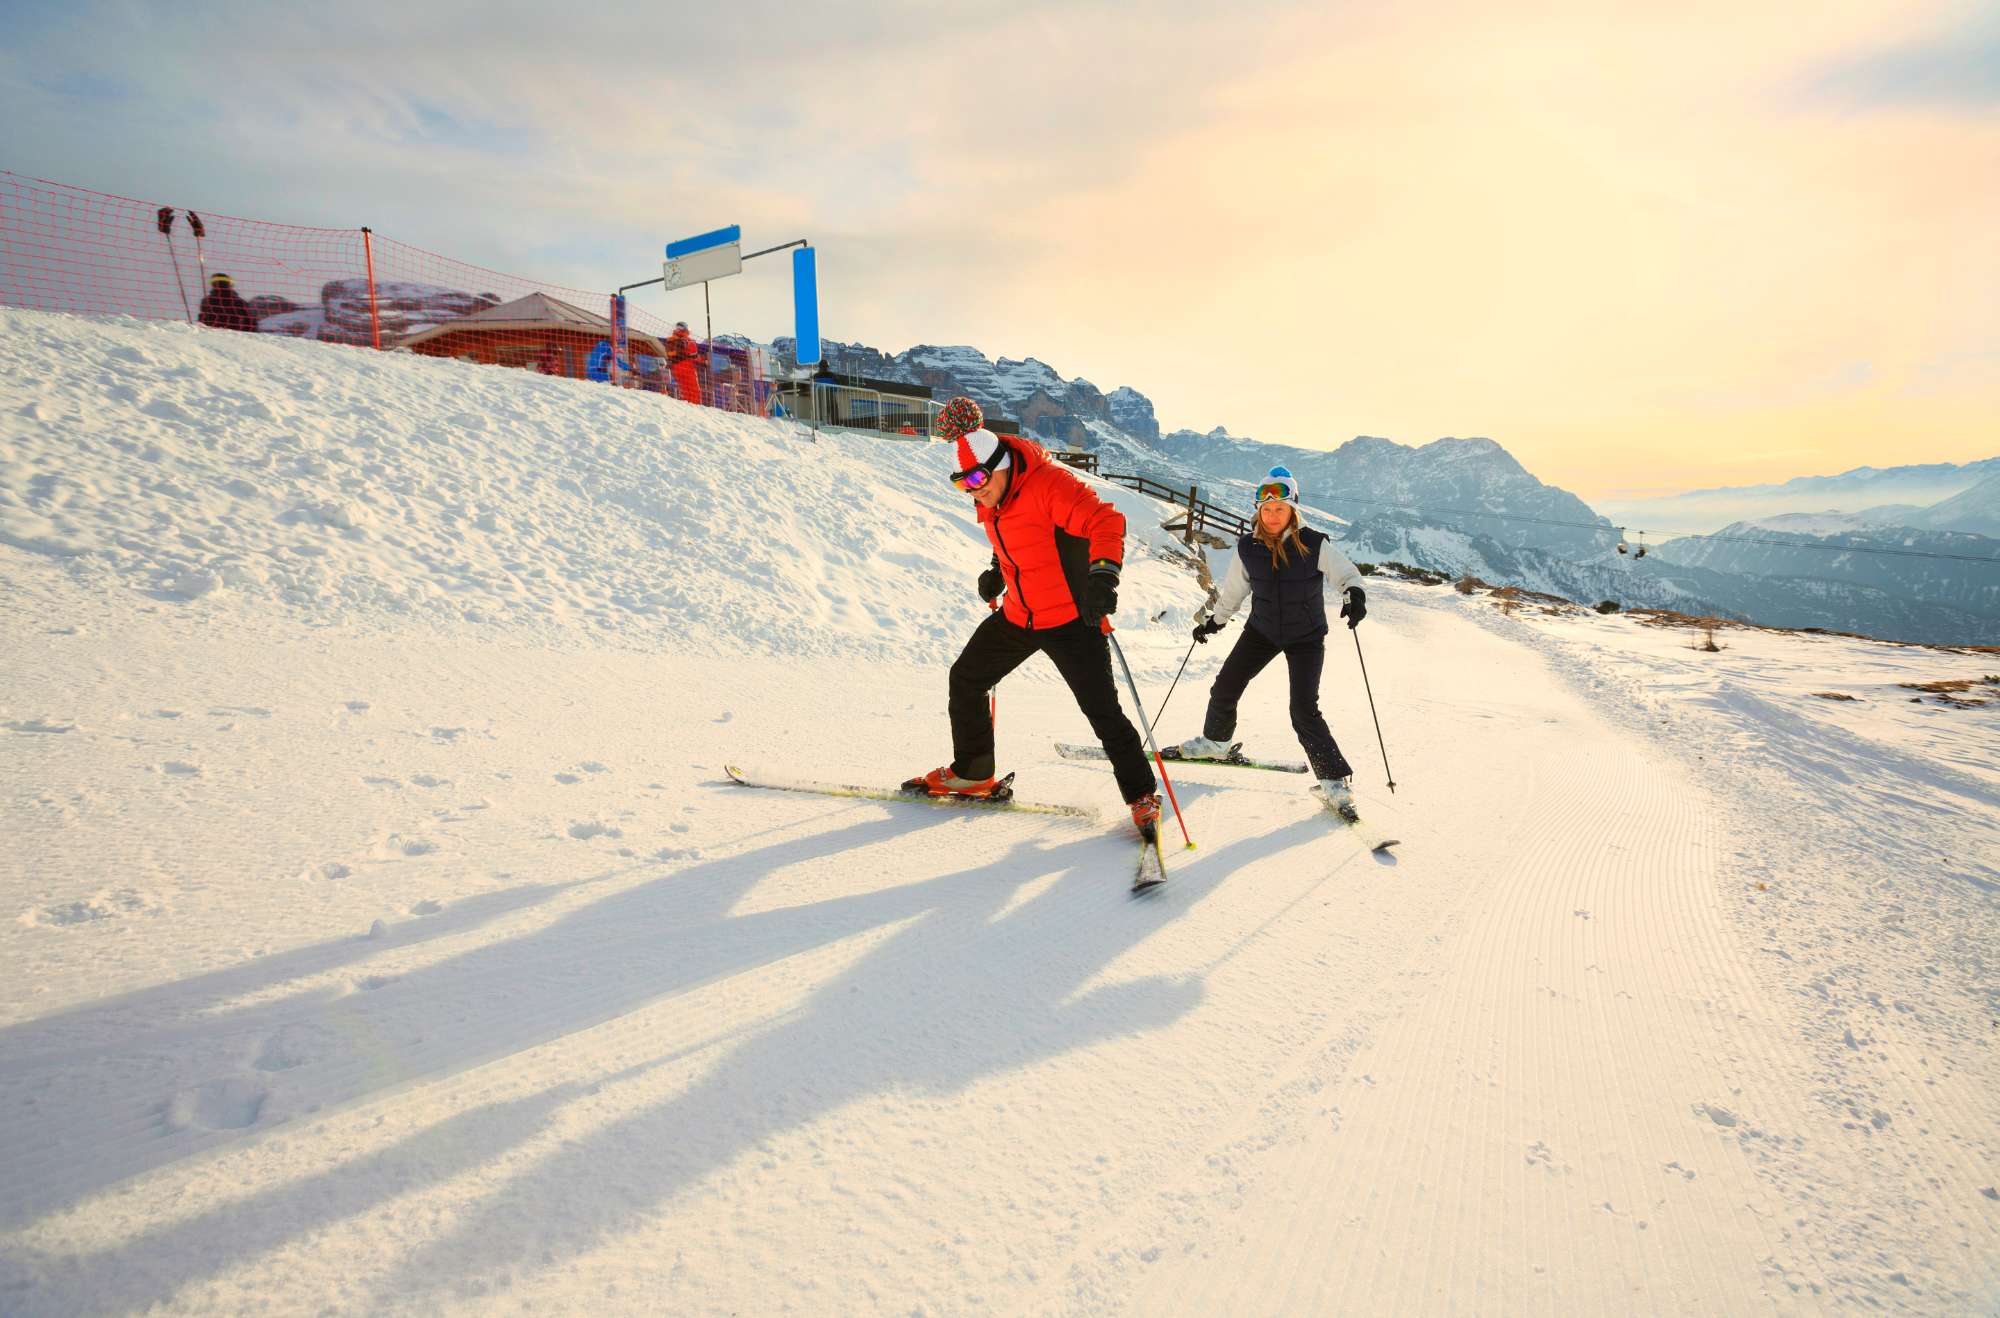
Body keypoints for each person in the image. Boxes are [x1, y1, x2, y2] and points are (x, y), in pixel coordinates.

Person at [904, 396, 1162, 838]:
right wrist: (995, 572)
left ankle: (1141, 795)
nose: (975, 491)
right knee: (966, 678)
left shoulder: (1050, 486)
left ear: (1002, 462)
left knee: (1102, 711)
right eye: (963, 485)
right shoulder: (990, 493)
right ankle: (973, 772)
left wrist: (1104, 578)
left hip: (1069, 619)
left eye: (980, 479)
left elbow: (1106, 522)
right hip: (1020, 615)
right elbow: (1011, 536)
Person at [1181, 465, 1370, 811]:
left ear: (1293, 510)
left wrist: (1354, 595)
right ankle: (1216, 742)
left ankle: (1334, 781)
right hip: (1262, 631)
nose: (1271, 515)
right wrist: (1215, 622)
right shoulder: (1247, 547)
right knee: (1225, 687)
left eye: (1278, 509)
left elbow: (1346, 575)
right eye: (1265, 509)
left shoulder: (1315, 545)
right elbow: (1234, 592)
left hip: (1306, 637)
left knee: (1303, 710)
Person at [665, 322, 703, 404]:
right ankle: (696, 407)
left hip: (676, 368)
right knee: (694, 390)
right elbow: (694, 356)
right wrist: (703, 361)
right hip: (687, 366)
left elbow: (669, 355)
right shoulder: (688, 340)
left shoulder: (670, 340)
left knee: (684, 389)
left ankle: (687, 406)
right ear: (686, 329)